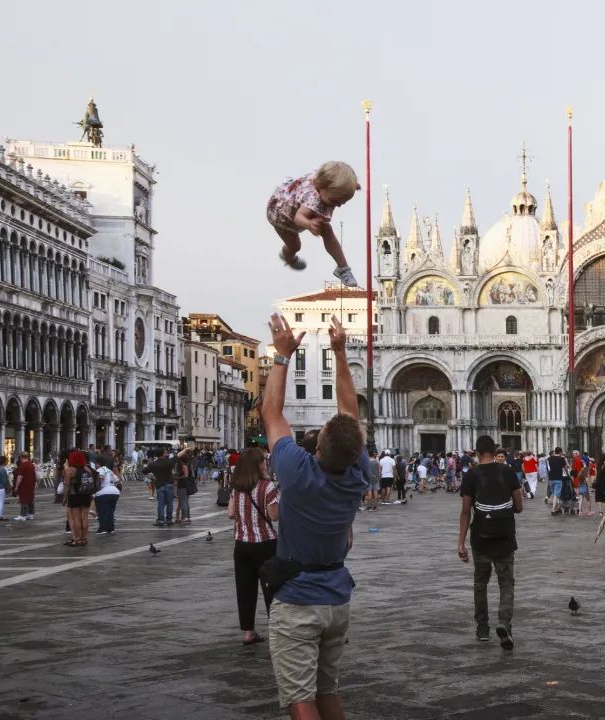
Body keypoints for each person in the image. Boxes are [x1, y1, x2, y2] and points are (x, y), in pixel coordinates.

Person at [262, 313, 368, 718]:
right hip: (337, 597)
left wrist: (281, 356)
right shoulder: (359, 473)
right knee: (328, 690)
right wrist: (340, 354)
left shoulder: (296, 471)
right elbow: (349, 413)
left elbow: (272, 414)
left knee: (300, 695)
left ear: (319, 445)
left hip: (298, 598)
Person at [457, 434, 523, 649]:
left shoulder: (471, 475)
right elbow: (519, 506)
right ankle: (504, 622)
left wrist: (461, 542)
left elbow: (466, 510)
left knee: (480, 583)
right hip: (504, 537)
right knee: (506, 583)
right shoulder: (509, 471)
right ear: (495, 452)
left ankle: (482, 627)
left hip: (480, 538)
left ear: (476, 453)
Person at [267, 161, 361, 285]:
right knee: (295, 246)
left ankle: (343, 269)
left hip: (295, 202)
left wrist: (350, 185)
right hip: (282, 216)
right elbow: (298, 218)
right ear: (320, 186)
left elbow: (338, 175)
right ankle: (287, 257)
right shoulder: (313, 200)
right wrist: (309, 224)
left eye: (342, 203)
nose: (337, 205)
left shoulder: (325, 179)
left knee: (327, 230)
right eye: (334, 201)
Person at [227, 446, 279, 646]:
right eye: (263, 461)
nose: (266, 463)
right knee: (271, 588)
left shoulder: (237, 487)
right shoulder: (267, 487)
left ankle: (248, 632)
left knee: (245, 588)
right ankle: (276, 629)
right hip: (265, 543)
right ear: (257, 465)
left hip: (241, 544)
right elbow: (273, 516)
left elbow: (231, 514)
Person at [145, 447, 190, 527]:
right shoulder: (169, 462)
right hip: (169, 485)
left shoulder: (153, 464)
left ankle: (161, 520)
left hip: (159, 485)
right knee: (170, 503)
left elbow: (144, 471)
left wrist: (152, 477)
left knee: (160, 504)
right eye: (165, 452)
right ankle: (169, 520)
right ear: (163, 454)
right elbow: (178, 455)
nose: (167, 453)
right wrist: (185, 449)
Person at [63, 451, 95, 546]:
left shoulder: (69, 470)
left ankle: (77, 539)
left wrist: (64, 498)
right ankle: (84, 538)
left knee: (76, 518)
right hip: (86, 495)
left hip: (74, 495)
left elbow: (67, 486)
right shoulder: (87, 469)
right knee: (84, 518)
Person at [93, 456, 121, 534]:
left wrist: (96, 489)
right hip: (115, 492)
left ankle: (103, 528)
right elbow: (118, 481)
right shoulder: (110, 471)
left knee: (102, 511)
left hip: (104, 492)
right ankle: (110, 528)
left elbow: (100, 478)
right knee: (110, 511)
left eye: (96, 464)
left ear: (98, 463)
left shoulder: (100, 469)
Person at [12, 453, 37, 521]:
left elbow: (20, 477)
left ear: (21, 457)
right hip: (31, 484)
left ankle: (23, 515)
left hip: (24, 485)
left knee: (23, 500)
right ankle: (31, 514)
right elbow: (34, 475)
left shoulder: (22, 465)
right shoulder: (31, 465)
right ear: (28, 457)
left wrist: (16, 486)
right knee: (30, 499)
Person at [547, 447, 567, 515]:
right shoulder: (561, 459)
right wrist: (568, 474)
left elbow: (549, 467)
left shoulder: (550, 458)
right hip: (558, 478)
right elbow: (565, 467)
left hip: (551, 478)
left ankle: (556, 508)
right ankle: (553, 509)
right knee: (556, 494)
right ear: (560, 452)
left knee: (554, 494)